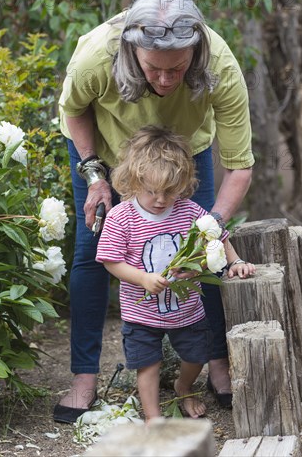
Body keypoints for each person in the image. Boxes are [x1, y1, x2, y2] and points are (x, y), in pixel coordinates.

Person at [53, 0, 254, 424]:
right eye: (153, 70)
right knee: (91, 254)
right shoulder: (96, 53)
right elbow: (72, 110)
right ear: (131, 51)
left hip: (183, 153)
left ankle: (216, 364)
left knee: (204, 259)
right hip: (103, 150)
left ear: (195, 52)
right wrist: (95, 176)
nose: (164, 81)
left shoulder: (219, 64)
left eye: (177, 69)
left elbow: (239, 166)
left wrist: (208, 228)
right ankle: (84, 377)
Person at [95, 126, 255, 422]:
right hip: (140, 311)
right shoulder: (121, 217)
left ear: (182, 184)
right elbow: (110, 261)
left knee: (197, 356)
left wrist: (234, 262)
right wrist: (143, 278)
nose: (160, 199)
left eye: (169, 192)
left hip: (187, 309)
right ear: (133, 181)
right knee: (148, 364)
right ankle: (154, 419)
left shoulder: (189, 211)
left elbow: (216, 235)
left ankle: (184, 386)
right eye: (152, 191)